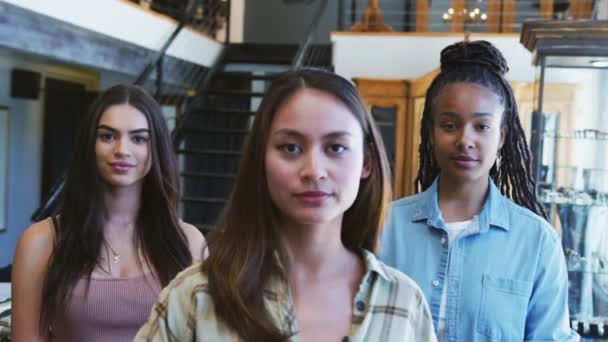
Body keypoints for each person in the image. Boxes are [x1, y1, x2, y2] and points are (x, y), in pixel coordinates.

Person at [135, 69, 436, 341]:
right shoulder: (195, 297)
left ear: (366, 162)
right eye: (290, 148)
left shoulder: (403, 302)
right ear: (261, 159)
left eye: (336, 148)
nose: (314, 170)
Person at [380, 40, 579, 341]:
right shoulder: (385, 226)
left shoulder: (536, 241)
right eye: (449, 125)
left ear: (501, 136)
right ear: (430, 133)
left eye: (482, 127)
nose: (464, 140)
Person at [11, 84, 205, 342]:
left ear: (155, 148)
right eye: (108, 136)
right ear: (89, 145)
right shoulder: (40, 241)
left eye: (139, 138)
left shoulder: (189, 242)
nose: (122, 150)